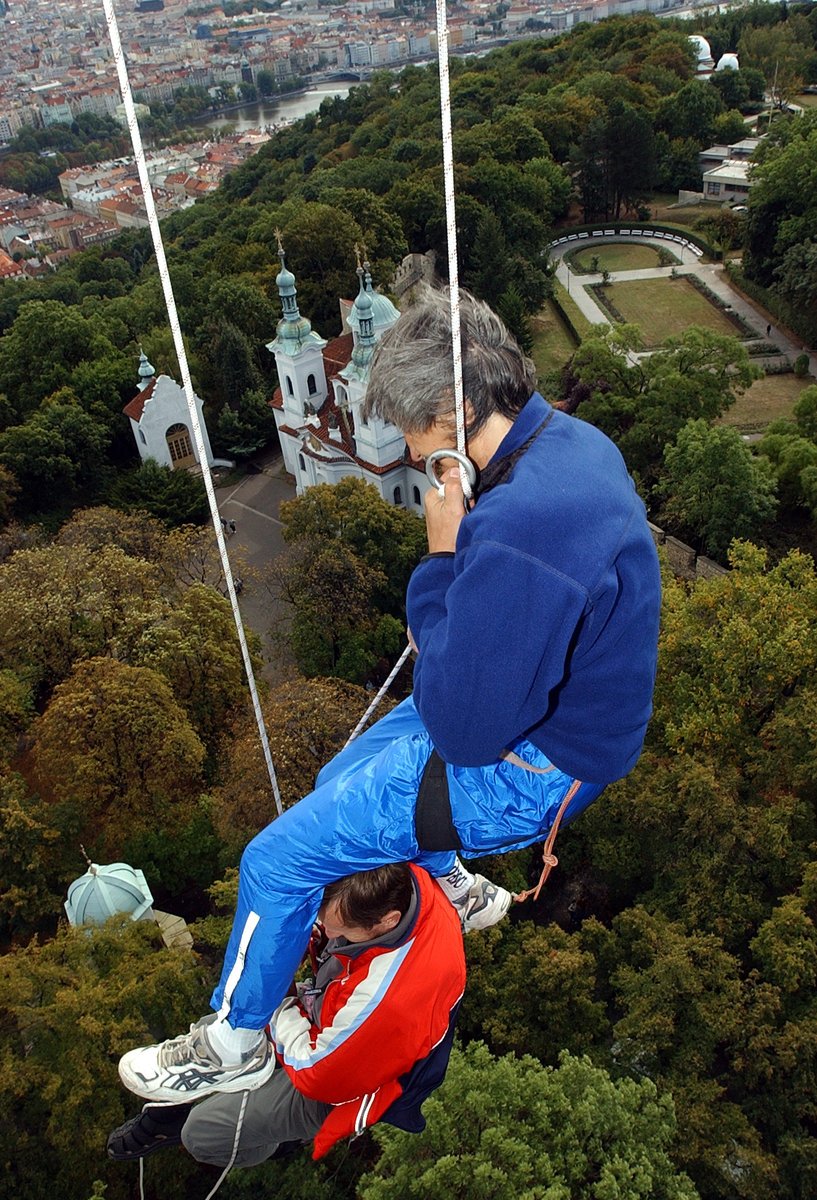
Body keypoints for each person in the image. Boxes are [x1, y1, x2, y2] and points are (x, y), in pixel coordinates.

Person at [117, 287, 661, 1098]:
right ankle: (444, 879)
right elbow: (483, 661)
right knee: (338, 780)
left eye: (417, 430)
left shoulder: (522, 528)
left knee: (275, 859)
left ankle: (233, 1043)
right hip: (554, 723)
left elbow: (464, 733)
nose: (410, 451)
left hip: (525, 768)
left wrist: (440, 559)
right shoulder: (572, 445)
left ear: (460, 407)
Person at [112, 863, 465, 1166]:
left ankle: (270, 1141)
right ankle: (184, 1095)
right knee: (229, 1026)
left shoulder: (387, 999)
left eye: (338, 930)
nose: (328, 931)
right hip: (332, 1020)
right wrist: (303, 940)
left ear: (387, 922)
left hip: (344, 1082)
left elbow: (317, 1072)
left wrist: (279, 1003)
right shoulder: (401, 882)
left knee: (202, 1134)